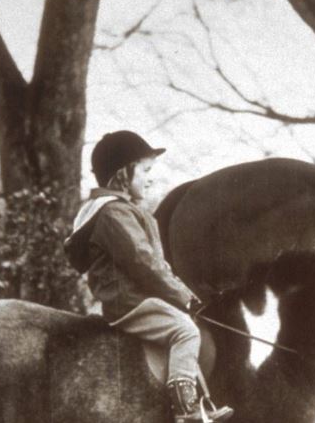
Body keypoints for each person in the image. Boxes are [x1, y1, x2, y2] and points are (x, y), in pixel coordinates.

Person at [64, 130, 233, 423]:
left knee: (185, 323)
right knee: (185, 331)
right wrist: (183, 297)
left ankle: (204, 402)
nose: (150, 178)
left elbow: (155, 263)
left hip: (137, 297)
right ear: (122, 175)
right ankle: (186, 410)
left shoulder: (126, 211)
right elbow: (143, 264)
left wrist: (183, 296)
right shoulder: (113, 214)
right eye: (145, 171)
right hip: (129, 301)